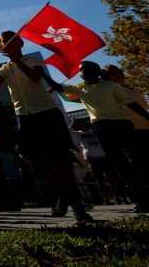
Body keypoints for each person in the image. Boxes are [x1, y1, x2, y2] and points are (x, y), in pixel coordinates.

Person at [0, 32, 93, 223]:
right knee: (30, 156)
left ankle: (77, 206)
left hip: (46, 111)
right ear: (1, 47)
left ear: (20, 42)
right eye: (3, 41)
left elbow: (35, 78)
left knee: (60, 159)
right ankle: (62, 192)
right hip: (24, 116)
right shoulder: (5, 68)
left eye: (12, 39)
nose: (7, 42)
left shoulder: (32, 59)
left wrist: (18, 60)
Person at [47, 61, 149, 212]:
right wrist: (42, 74)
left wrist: (147, 117)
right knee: (119, 164)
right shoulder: (79, 88)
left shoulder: (111, 86)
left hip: (122, 125)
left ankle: (143, 193)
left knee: (135, 161)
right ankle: (142, 198)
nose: (82, 72)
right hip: (102, 128)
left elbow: (131, 104)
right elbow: (58, 87)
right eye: (80, 70)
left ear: (97, 71)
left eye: (85, 69)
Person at [103, 64, 149, 185]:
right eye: (112, 73)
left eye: (119, 72)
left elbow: (145, 107)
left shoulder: (134, 90)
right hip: (130, 131)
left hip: (146, 128)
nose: (118, 75)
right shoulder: (109, 92)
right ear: (106, 77)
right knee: (139, 163)